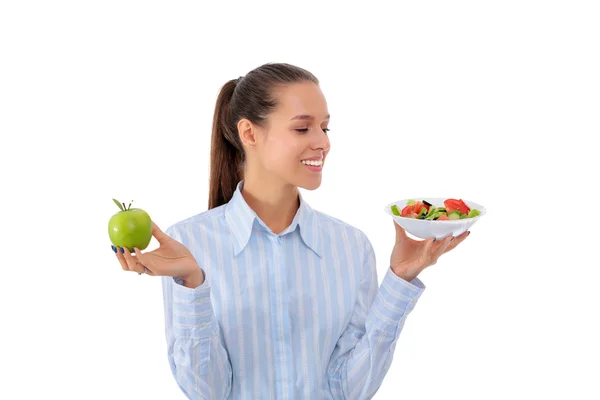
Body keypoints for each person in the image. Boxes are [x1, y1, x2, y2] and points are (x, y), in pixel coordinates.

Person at [113, 62, 470, 399]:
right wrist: (192, 282)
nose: (323, 142)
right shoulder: (189, 244)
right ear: (249, 133)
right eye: (303, 128)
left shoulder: (350, 246)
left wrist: (400, 280)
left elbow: (349, 390)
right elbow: (208, 392)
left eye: (325, 127)